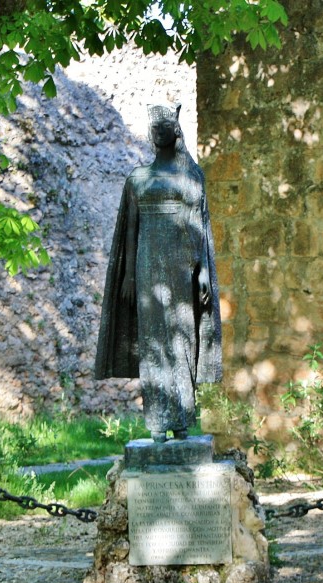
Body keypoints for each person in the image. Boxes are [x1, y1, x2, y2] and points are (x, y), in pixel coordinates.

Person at [95, 103, 222, 442]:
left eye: (164, 124)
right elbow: (131, 231)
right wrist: (130, 276)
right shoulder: (137, 179)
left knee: (182, 338)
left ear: (176, 131)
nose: (157, 130)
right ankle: (156, 423)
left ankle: (180, 421)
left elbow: (198, 224)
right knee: (153, 343)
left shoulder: (190, 176)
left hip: (182, 265)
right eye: (154, 126)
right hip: (146, 267)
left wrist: (203, 272)